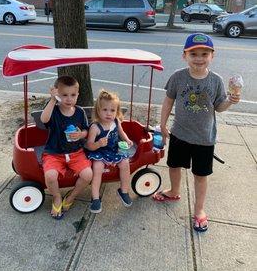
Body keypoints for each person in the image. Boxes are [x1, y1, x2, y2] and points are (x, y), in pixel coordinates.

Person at [152, 33, 240, 232]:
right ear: (185, 56)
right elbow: (168, 101)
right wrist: (163, 124)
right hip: (179, 134)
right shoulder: (178, 77)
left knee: (200, 175)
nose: (199, 58)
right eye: (194, 54)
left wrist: (230, 102)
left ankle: (199, 210)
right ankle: (174, 191)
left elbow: (219, 106)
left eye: (204, 54)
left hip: (204, 139)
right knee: (174, 166)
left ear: (212, 56)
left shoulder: (216, 81)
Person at [40, 76, 92, 219]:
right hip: (54, 153)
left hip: (76, 152)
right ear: (57, 95)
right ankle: (56, 197)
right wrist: (52, 100)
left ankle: (71, 196)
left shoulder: (80, 112)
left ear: (78, 95)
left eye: (73, 95)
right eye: (64, 95)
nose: (69, 99)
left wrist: (81, 134)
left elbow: (86, 130)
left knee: (88, 175)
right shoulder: (54, 111)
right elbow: (44, 119)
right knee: (50, 176)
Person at [86, 90, 133, 213]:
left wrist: (127, 140)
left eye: (112, 110)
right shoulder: (95, 127)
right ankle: (95, 198)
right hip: (99, 152)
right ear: (98, 110)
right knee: (97, 168)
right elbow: (89, 145)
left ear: (116, 112)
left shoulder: (116, 121)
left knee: (125, 163)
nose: (108, 113)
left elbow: (121, 133)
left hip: (114, 150)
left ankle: (123, 190)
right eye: (105, 110)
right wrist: (98, 143)